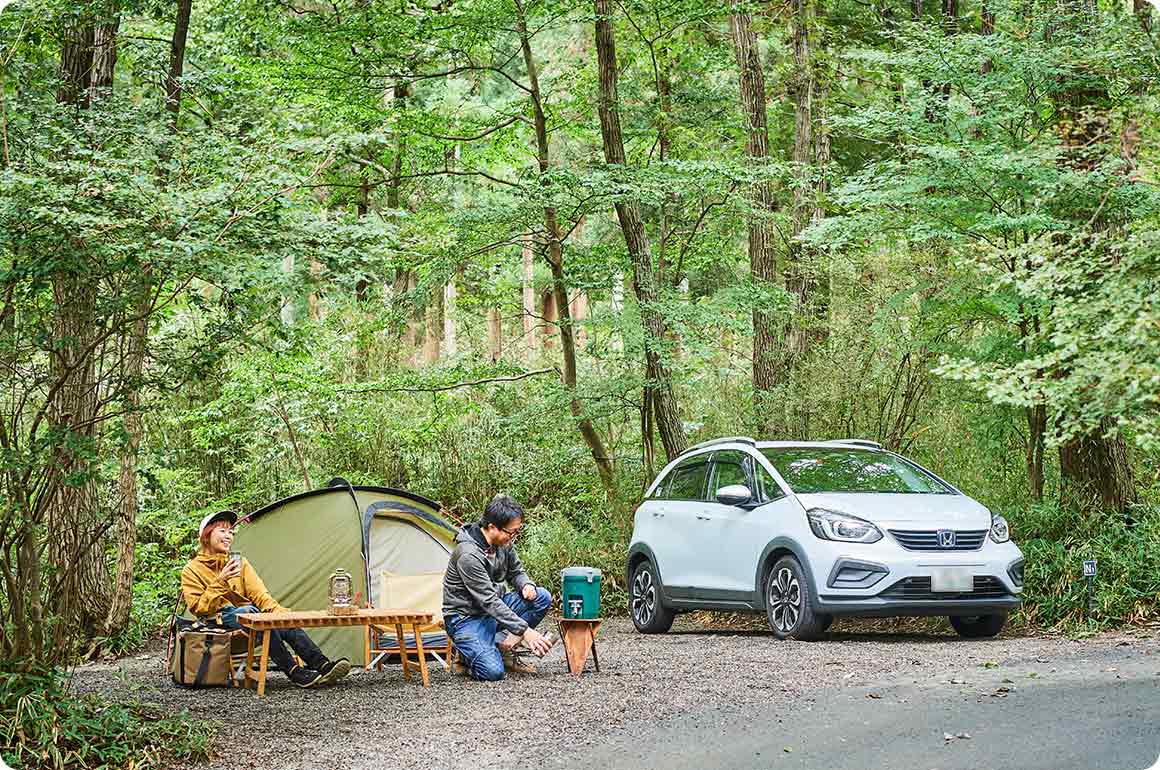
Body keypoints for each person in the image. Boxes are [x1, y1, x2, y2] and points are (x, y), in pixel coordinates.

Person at [180, 509, 351, 689]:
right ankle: (293, 671)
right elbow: (198, 608)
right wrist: (221, 580)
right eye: (222, 531)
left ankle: (322, 665)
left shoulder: (239, 563)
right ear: (206, 536)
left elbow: (260, 594)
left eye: (231, 532)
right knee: (252, 612)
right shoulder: (191, 570)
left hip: (251, 617)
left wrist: (281, 614)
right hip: (218, 622)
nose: (228, 536)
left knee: (276, 617)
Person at [442, 494, 555, 680]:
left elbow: (516, 572)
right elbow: (489, 601)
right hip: (466, 619)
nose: (513, 537)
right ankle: (466, 656)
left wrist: (526, 584)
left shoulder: (504, 543)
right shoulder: (468, 555)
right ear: (492, 527)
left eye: (517, 532)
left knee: (541, 597)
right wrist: (526, 631)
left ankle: (503, 648)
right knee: (492, 672)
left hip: (492, 611)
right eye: (511, 532)